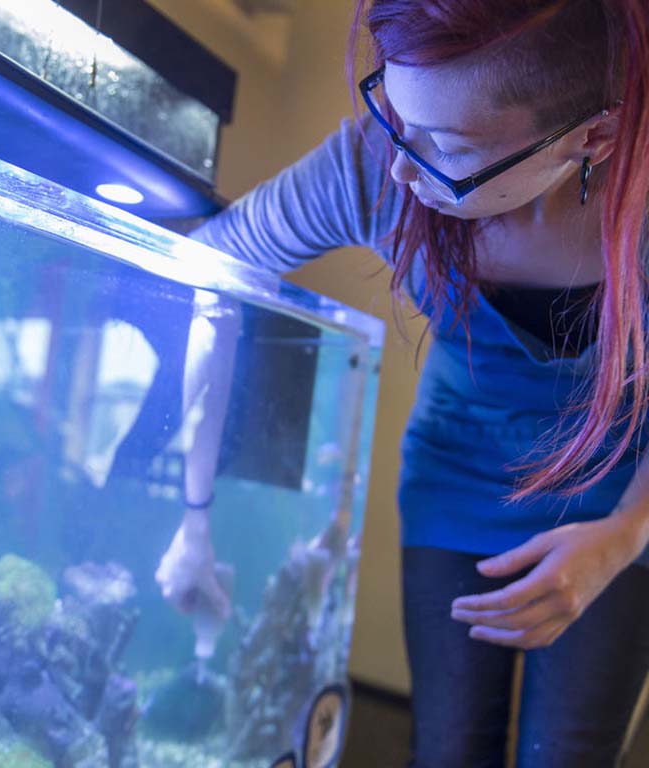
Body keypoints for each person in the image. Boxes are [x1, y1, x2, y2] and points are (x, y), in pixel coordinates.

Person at [157, 1, 649, 765]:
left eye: (445, 147)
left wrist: (623, 535)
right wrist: (193, 518)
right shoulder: (372, 166)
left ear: (595, 136)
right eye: (391, 109)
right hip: (458, 473)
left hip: (625, 490)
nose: (396, 162)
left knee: (574, 750)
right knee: (448, 747)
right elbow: (210, 277)